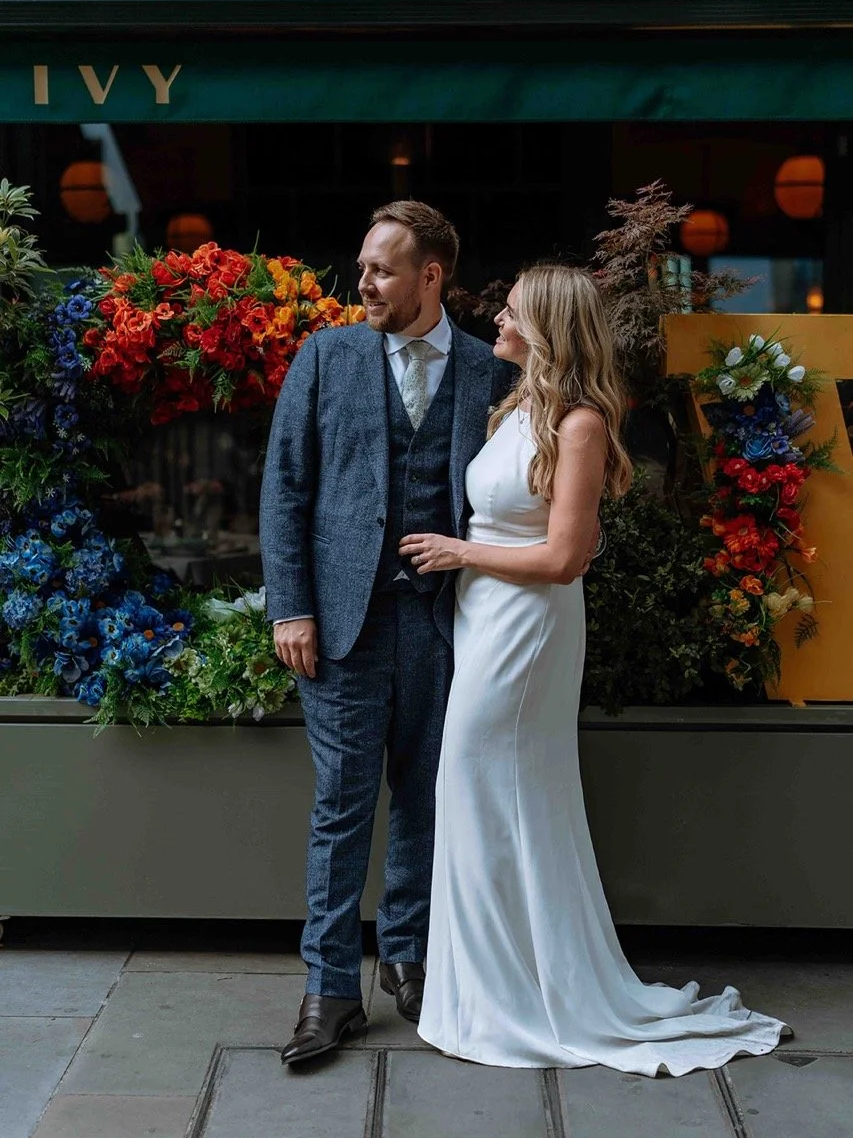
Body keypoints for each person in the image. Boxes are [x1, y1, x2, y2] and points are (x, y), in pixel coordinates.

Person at [401, 264, 791, 1077]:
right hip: (483, 617)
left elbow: (564, 558)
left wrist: (460, 552)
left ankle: (514, 1001)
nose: (496, 319)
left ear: (546, 328)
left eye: (511, 312)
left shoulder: (578, 424)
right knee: (479, 798)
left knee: (480, 786)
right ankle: (484, 993)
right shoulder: (517, 406)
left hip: (525, 627)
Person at [259, 200, 515, 1065]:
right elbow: (285, 486)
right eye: (363, 267)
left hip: (449, 622)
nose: (362, 282)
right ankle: (331, 989)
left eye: (381, 270)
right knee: (342, 804)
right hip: (343, 623)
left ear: (429, 276)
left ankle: (408, 957)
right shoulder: (326, 356)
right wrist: (290, 607)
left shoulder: (486, 370)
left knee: (426, 797)